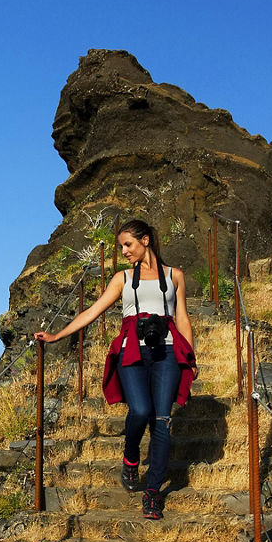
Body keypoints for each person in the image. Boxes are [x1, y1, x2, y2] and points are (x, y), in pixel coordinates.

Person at [33, 219, 196, 520]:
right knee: (140, 409)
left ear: (145, 240)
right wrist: (57, 335)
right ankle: (131, 456)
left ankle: (152, 494)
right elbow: (94, 311)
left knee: (162, 420)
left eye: (128, 244)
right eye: (121, 246)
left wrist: (191, 355)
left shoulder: (175, 276)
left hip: (168, 350)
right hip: (131, 350)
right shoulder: (122, 279)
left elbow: (182, 318)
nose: (124, 251)